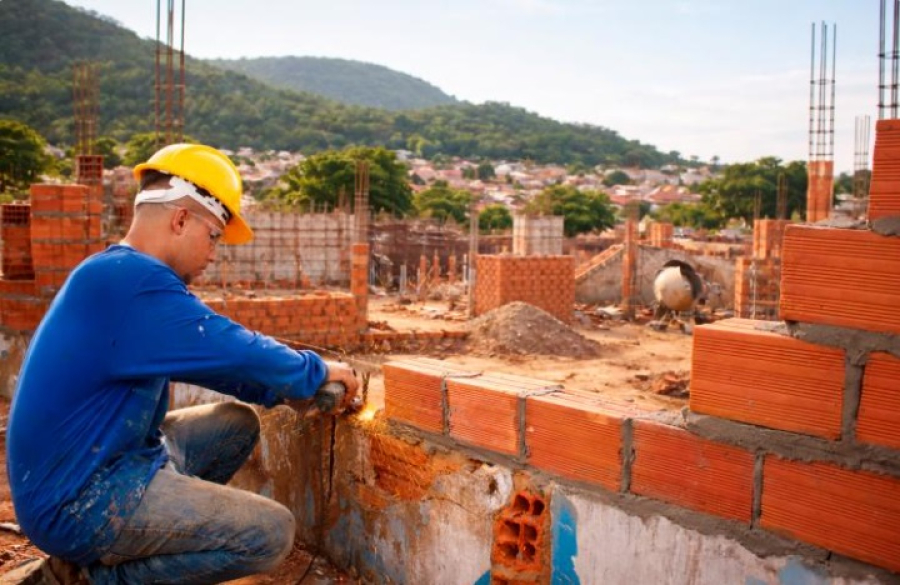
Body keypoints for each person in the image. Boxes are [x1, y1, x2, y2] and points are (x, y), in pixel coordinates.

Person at [5, 143, 359, 584]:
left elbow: (214, 364)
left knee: (234, 424)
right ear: (180, 220)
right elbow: (230, 345)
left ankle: (111, 553)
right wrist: (316, 372)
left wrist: (282, 391)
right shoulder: (129, 282)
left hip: (112, 462)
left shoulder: (120, 275)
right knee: (269, 533)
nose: (214, 253)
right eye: (214, 236)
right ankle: (83, 579)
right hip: (79, 498)